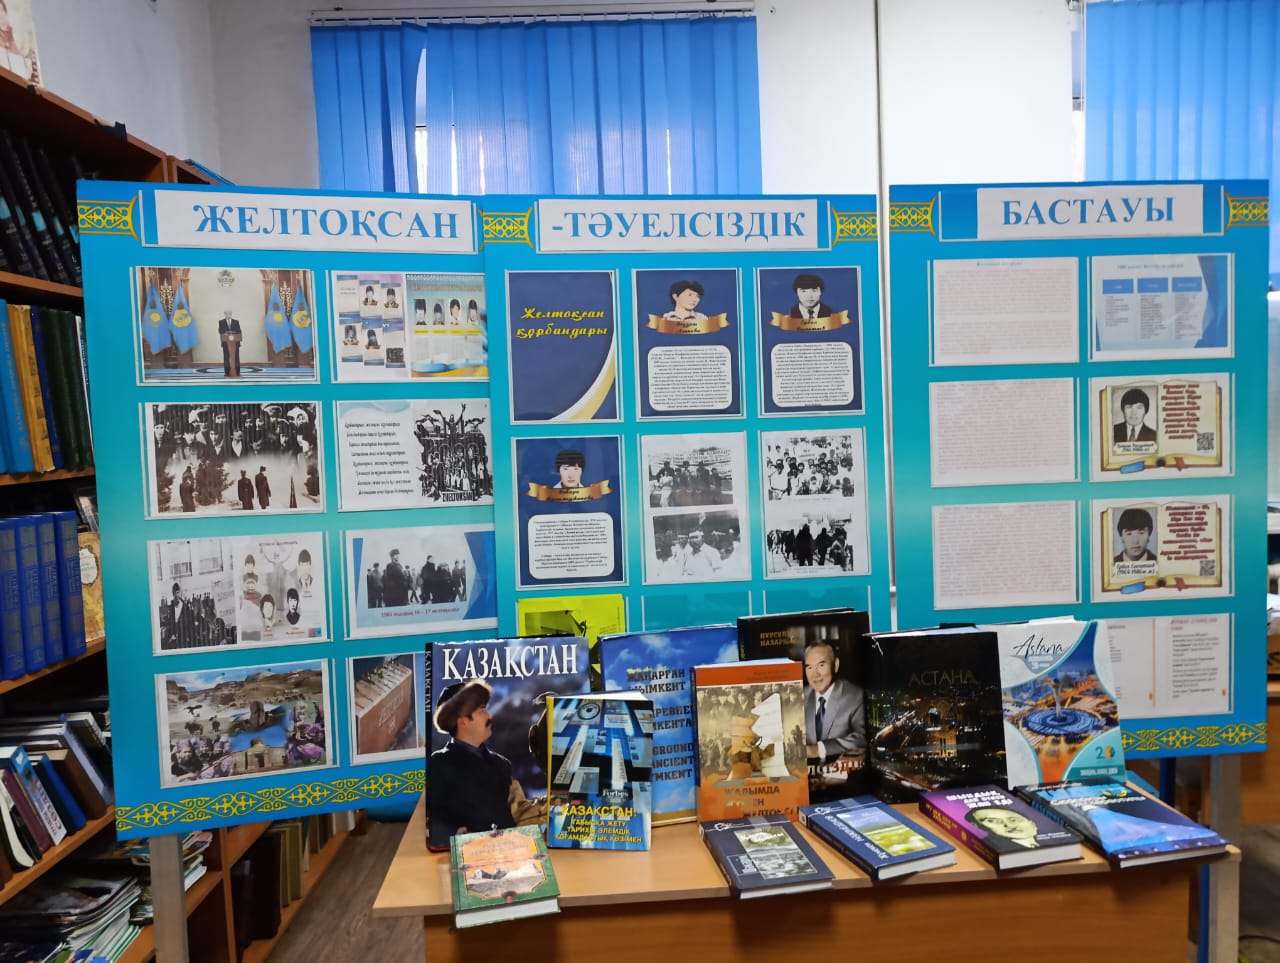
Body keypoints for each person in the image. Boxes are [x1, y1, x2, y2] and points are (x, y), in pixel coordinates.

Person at [427, 679, 516, 848]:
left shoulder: (502, 765)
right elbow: (433, 822)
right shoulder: (438, 765)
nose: (489, 716)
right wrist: (454, 834)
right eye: (482, 710)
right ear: (463, 720)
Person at [802, 640, 865, 763]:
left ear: (835, 665)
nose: (815, 675)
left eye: (821, 665)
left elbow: (862, 738)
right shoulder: (799, 696)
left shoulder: (855, 695)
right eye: (809, 667)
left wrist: (818, 750)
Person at [966, 806, 1041, 849]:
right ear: (978, 826)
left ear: (1032, 823)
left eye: (1013, 820)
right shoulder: (990, 847)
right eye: (992, 821)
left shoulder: (1045, 840)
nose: (1009, 825)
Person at [217, 310, 242, 378]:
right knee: (226, 357)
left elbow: (239, 331)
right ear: (224, 314)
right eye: (226, 314)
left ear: (231, 314)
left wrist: (233, 333)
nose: (228, 315)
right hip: (225, 343)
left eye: (229, 314)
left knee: (236, 357)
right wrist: (225, 333)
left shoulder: (236, 322)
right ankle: (227, 373)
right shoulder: (221, 322)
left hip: (235, 343)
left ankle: (237, 372)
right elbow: (220, 331)